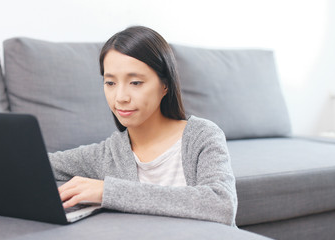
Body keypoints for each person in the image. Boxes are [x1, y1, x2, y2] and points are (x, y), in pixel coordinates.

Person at [48, 26, 237, 226]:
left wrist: (107, 191)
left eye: (136, 82)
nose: (120, 98)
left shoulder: (202, 135)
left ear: (165, 85)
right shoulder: (108, 154)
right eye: (110, 83)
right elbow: (40, 165)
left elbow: (221, 205)